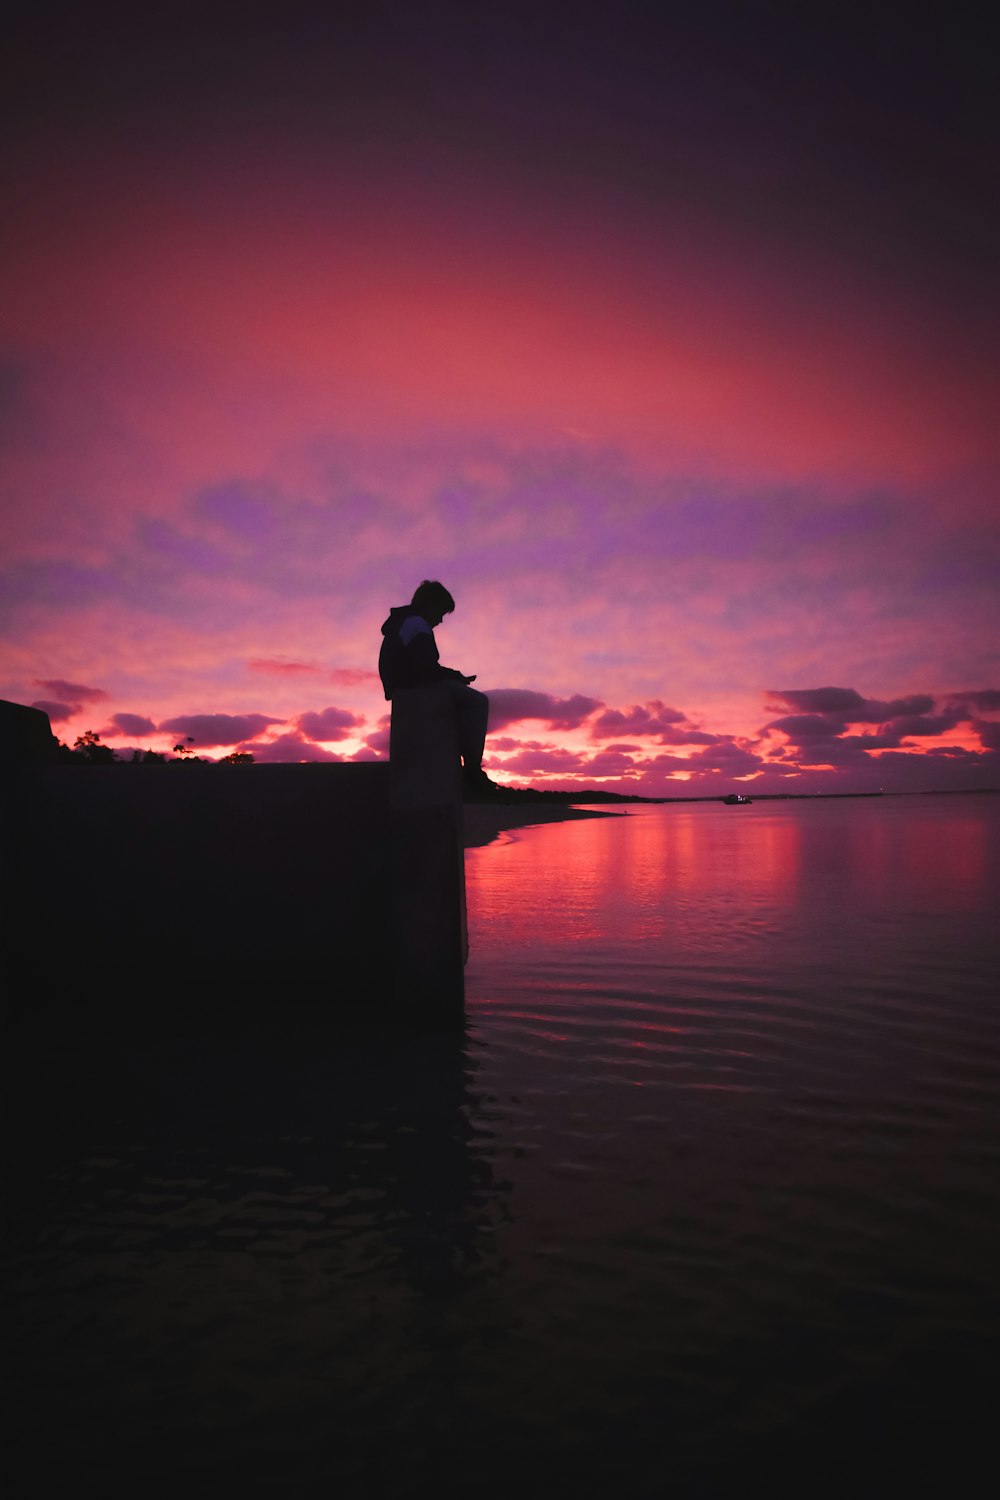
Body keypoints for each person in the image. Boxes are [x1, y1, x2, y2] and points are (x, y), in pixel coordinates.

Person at [379, 580, 498, 797]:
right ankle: (472, 769)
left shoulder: (403, 622)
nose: (441, 620)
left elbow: (422, 665)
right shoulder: (417, 623)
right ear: (430, 605)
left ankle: (468, 766)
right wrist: (455, 677)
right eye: (441, 612)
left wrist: (452, 677)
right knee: (478, 702)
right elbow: (426, 667)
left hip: (404, 684)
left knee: (460, 699)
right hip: (413, 685)